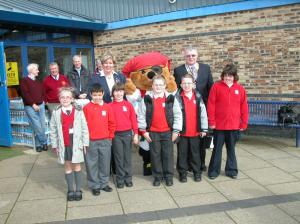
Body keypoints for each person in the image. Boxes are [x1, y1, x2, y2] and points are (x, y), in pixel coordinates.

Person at [173, 46, 214, 171]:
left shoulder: (206, 68)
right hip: (185, 109)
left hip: (202, 109)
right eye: (188, 55)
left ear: (197, 56)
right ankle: (186, 165)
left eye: (193, 55)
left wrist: (210, 111)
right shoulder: (178, 70)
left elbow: (210, 88)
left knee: (200, 139)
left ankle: (200, 164)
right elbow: (175, 89)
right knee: (185, 139)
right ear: (184, 56)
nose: (190, 57)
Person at [137, 75, 182, 187]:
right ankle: (157, 176)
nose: (158, 87)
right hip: (152, 133)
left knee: (168, 155)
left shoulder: (171, 98)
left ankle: (168, 176)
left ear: (165, 86)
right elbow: (141, 115)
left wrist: (176, 131)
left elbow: (178, 115)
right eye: (156, 85)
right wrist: (144, 131)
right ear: (152, 86)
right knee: (155, 155)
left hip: (168, 132)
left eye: (160, 85)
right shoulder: (146, 99)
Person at [207, 64, 248, 180]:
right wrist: (212, 121)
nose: (228, 78)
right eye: (226, 75)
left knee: (231, 149)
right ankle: (214, 171)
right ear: (223, 76)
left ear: (234, 77)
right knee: (217, 149)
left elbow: (244, 107)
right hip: (219, 126)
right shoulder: (216, 86)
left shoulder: (240, 89)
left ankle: (231, 170)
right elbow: (211, 104)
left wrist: (244, 122)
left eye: (230, 76)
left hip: (234, 126)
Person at [49, 87, 89, 201]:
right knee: (67, 165)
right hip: (64, 143)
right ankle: (70, 190)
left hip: (76, 143)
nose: (65, 99)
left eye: (67, 97)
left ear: (72, 99)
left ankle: (78, 190)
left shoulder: (78, 111)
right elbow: (53, 130)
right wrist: (55, 145)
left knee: (76, 165)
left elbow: (84, 128)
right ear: (59, 99)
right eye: (62, 97)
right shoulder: (56, 112)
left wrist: (85, 143)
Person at [83, 83, 116, 196]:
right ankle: (94, 185)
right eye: (95, 95)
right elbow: (83, 125)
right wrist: (84, 140)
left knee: (105, 163)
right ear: (91, 95)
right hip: (91, 141)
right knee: (91, 163)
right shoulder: (86, 108)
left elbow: (112, 123)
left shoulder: (107, 107)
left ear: (103, 94)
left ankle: (103, 183)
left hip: (105, 140)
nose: (97, 97)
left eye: (99, 95)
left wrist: (110, 136)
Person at [175, 74, 208, 183]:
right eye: (184, 83)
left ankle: (197, 172)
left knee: (195, 154)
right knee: (182, 154)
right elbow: (174, 115)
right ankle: (182, 173)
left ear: (194, 84)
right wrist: (176, 130)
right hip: (182, 132)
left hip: (195, 132)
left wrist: (204, 129)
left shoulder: (198, 97)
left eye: (189, 83)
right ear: (180, 84)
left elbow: (203, 113)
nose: (187, 85)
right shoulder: (178, 98)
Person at [110, 83, 139, 188]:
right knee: (119, 157)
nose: (118, 93)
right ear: (113, 93)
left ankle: (128, 178)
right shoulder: (109, 106)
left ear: (124, 92)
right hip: (115, 135)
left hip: (127, 134)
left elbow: (134, 121)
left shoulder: (128, 105)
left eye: (121, 91)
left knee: (127, 157)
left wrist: (136, 134)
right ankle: (120, 178)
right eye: (116, 91)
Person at [20, 63, 48, 152]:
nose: (38, 71)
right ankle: (44, 142)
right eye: (37, 69)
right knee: (37, 125)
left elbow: (43, 92)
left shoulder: (38, 81)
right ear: (31, 70)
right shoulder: (24, 81)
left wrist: (43, 101)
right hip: (30, 106)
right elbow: (25, 94)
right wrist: (33, 104)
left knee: (42, 126)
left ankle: (38, 144)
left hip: (41, 105)